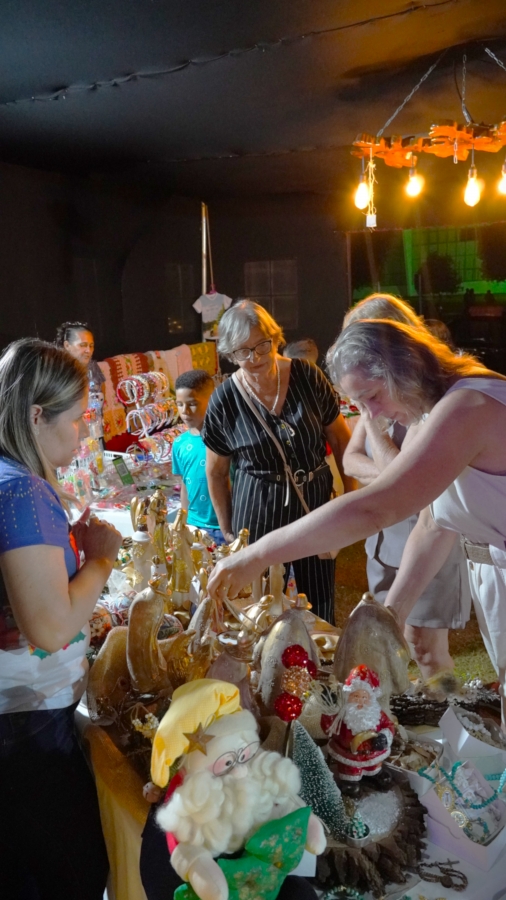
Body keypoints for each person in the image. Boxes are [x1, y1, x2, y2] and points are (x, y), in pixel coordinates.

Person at [206, 317, 506, 730]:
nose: (373, 416)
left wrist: (258, 554)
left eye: (373, 397)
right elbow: (435, 523)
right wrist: (392, 614)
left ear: (405, 367)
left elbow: (378, 507)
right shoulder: (436, 411)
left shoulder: (465, 407)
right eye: (360, 405)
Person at [0, 338, 123, 900]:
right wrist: (100, 558)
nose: (84, 429)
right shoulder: (22, 490)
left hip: (22, 721)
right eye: (76, 418)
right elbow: (49, 629)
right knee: (66, 872)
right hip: (26, 730)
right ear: (35, 417)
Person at [342, 295, 470, 681]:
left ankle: (450, 712)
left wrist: (374, 429)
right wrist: (390, 475)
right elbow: (350, 460)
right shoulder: (378, 398)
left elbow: (403, 482)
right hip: (384, 543)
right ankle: (396, 716)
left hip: (430, 541)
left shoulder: (428, 399)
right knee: (387, 647)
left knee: (426, 649)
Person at [202, 300, 353, 623]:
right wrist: (227, 529)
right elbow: (215, 472)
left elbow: (341, 439)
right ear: (230, 354)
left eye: (262, 345)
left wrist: (351, 500)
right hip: (257, 506)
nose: (255, 357)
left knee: (319, 598)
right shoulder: (224, 400)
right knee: (260, 606)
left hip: (313, 500)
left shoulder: (307, 376)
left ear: (275, 337)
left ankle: (318, 653)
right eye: (243, 352)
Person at [321, 664, 396, 797]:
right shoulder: (342, 714)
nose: (360, 701)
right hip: (349, 756)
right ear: (348, 696)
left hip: (373, 755)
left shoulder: (377, 714)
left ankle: (374, 773)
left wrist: (384, 737)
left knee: (376, 770)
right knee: (351, 782)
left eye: (364, 697)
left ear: (371, 698)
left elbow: (389, 725)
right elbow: (329, 728)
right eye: (355, 696)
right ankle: (351, 781)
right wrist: (329, 710)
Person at [172, 369, 225, 545]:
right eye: (179, 404)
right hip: (194, 526)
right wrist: (184, 522)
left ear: (211, 399)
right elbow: (185, 485)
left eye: (192, 404)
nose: (185, 411)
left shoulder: (227, 439)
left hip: (225, 525)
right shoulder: (180, 443)